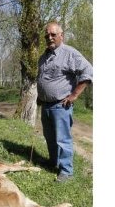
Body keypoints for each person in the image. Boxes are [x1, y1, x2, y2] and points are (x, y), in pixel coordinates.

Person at [37, 21, 93, 182]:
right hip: (46, 105)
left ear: (61, 36)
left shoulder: (70, 53)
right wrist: (40, 96)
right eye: (47, 35)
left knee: (62, 139)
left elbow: (88, 72)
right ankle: (53, 162)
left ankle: (66, 171)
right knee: (49, 137)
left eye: (53, 34)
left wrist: (74, 95)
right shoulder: (43, 57)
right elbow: (43, 79)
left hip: (61, 105)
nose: (49, 37)